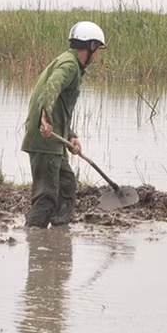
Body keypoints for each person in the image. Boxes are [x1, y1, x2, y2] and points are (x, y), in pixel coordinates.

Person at [21, 20, 106, 228]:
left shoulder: (70, 64)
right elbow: (52, 87)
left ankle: (59, 235)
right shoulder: (69, 65)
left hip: (54, 139)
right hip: (45, 139)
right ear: (90, 47)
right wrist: (45, 117)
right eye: (98, 50)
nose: (97, 56)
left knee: (67, 186)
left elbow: (61, 107)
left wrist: (71, 135)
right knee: (46, 195)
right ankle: (34, 236)